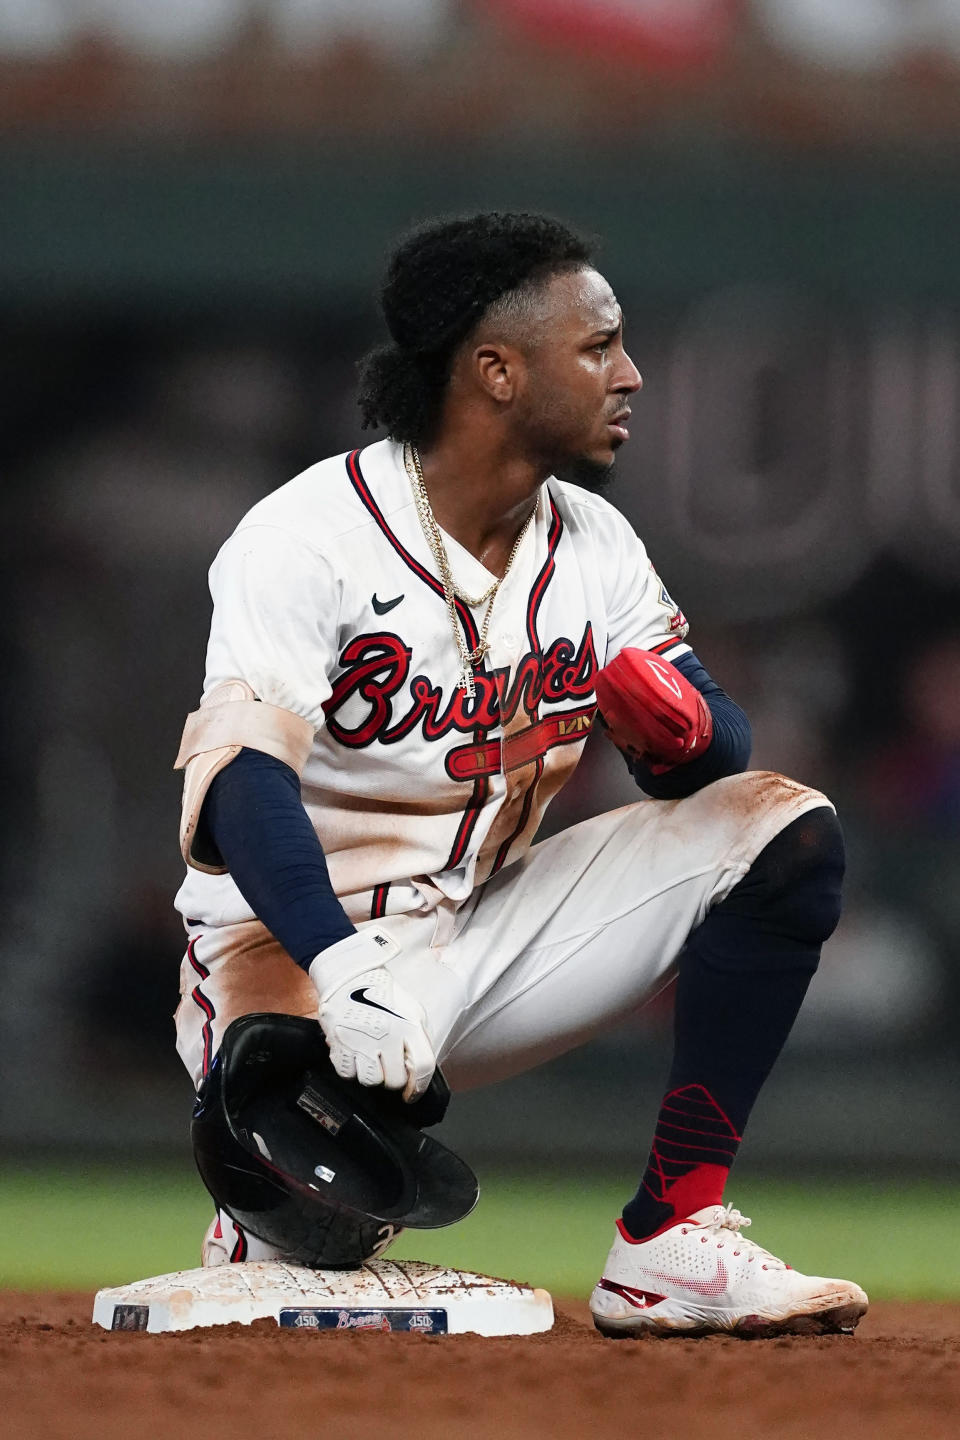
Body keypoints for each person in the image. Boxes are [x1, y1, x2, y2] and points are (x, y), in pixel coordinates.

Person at [173, 212, 867, 1337]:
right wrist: (340, 963)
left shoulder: (593, 545)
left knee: (785, 833)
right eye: (598, 347)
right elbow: (244, 781)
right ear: (495, 371)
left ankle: (668, 1244)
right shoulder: (304, 536)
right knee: (294, 1247)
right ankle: (262, 1214)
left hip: (491, 931)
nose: (631, 374)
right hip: (293, 951)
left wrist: (693, 732)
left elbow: (716, 746)